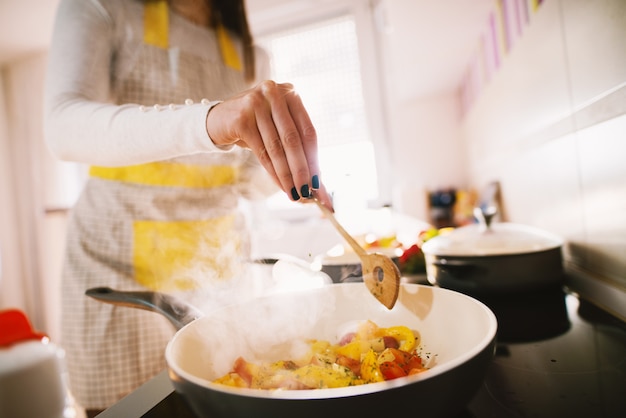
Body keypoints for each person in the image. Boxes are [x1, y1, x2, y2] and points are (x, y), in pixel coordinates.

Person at [44, 0, 332, 415]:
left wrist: (296, 177)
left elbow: (242, 181)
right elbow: (63, 126)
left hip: (217, 277)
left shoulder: (250, 52)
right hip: (119, 276)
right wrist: (210, 120)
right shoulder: (103, 7)